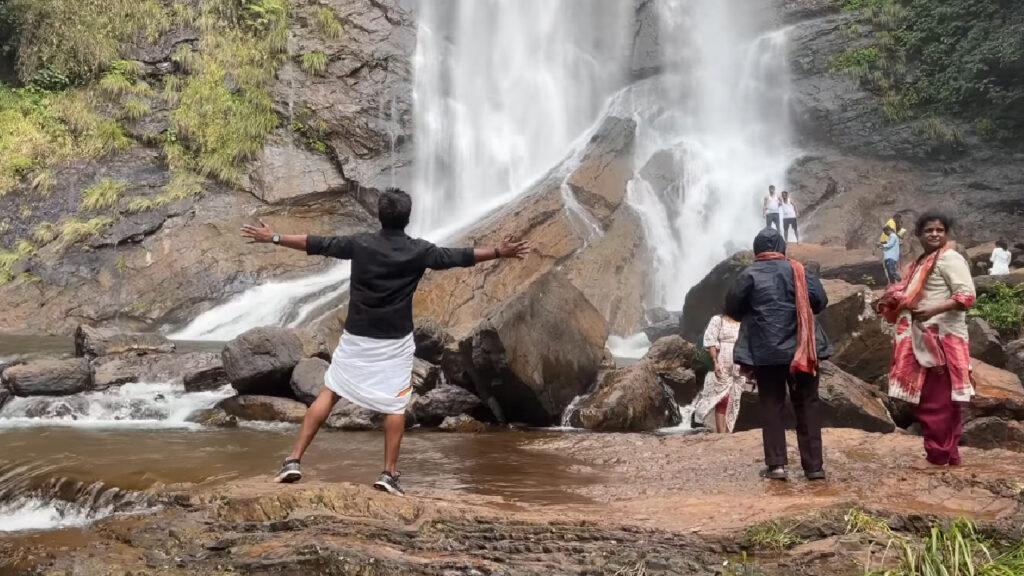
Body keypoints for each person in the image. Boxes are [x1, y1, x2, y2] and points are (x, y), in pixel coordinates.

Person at [241, 188, 532, 495]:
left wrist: (273, 237)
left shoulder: (361, 244)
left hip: (356, 337)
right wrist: (500, 252)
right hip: (394, 341)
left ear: (379, 216)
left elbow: (316, 244)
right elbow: (458, 257)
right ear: (408, 217)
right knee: (395, 404)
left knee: (331, 392)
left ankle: (292, 460)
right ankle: (388, 474)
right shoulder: (419, 251)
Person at [725, 227, 832, 481]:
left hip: (765, 351)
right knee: (807, 403)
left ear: (756, 250)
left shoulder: (749, 273)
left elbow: (731, 307)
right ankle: (814, 467)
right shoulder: (801, 271)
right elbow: (820, 302)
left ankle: (776, 466)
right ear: (782, 249)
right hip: (802, 348)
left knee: (771, 405)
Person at [877, 212, 975, 467]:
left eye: (940, 230)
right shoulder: (925, 261)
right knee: (943, 400)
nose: (934, 234)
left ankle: (938, 456)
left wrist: (933, 310)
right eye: (929, 230)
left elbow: (966, 296)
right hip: (925, 339)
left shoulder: (949, 259)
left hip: (940, 342)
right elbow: (911, 292)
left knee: (935, 402)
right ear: (919, 235)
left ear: (946, 234)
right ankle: (949, 455)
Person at [692, 314, 750, 433]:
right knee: (722, 397)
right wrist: (715, 362)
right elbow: (711, 342)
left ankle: (728, 430)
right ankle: (721, 432)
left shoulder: (743, 321)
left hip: (738, 364)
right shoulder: (718, 320)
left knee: (734, 397)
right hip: (721, 362)